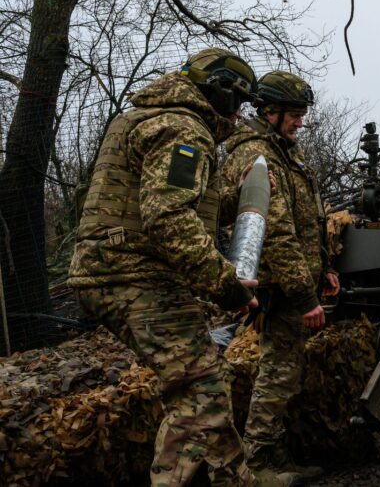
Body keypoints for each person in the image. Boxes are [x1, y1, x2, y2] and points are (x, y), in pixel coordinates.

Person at [68, 48, 261, 486]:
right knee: (201, 396)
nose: (238, 114)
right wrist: (227, 284)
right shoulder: (182, 129)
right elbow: (167, 218)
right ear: (222, 93)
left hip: (114, 272)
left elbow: (167, 206)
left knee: (199, 388)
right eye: (238, 101)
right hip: (135, 277)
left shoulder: (147, 117)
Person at [220, 71, 338, 481]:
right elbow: (275, 233)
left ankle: (275, 457)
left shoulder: (285, 151)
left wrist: (324, 271)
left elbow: (309, 222)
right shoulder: (256, 154)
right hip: (282, 287)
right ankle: (259, 463)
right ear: (270, 112)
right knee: (278, 374)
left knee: (284, 373)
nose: (300, 122)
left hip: (296, 281)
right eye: (295, 114)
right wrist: (306, 299)